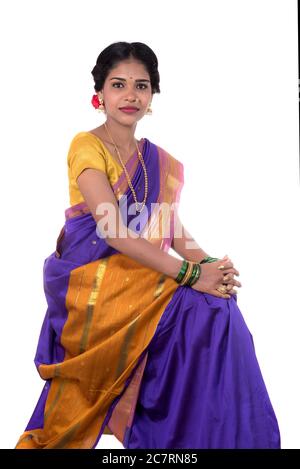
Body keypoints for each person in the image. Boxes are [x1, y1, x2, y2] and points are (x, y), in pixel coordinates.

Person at [15, 41, 280, 449]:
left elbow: (168, 226)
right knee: (198, 307)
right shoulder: (86, 145)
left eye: (141, 86)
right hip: (94, 282)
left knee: (220, 309)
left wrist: (210, 264)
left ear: (152, 96)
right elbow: (113, 229)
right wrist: (194, 275)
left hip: (141, 274)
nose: (130, 95)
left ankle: (199, 438)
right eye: (118, 85)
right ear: (99, 93)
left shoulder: (157, 160)